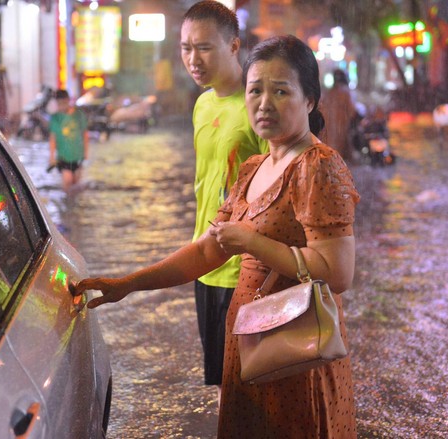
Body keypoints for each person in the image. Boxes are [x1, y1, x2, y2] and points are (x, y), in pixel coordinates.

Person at [74, 34, 359, 438]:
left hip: (297, 350)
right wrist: (129, 284)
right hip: (249, 340)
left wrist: (251, 242)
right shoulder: (254, 168)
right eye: (255, 90)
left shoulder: (318, 167)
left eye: (281, 91)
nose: (264, 103)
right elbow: (207, 250)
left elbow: (338, 273)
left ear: (309, 100)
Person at [179, 1, 269, 397]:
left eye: (204, 47)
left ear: (234, 46)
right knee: (223, 387)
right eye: (185, 48)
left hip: (247, 272)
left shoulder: (259, 107)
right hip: (206, 264)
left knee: (253, 387)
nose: (193, 59)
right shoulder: (202, 104)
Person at [48, 89, 89, 192]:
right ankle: (66, 205)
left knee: (76, 185)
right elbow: (53, 138)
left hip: (78, 156)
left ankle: (74, 206)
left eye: (63, 103)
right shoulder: (55, 118)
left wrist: (86, 152)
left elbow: (85, 134)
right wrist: (52, 156)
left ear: (68, 100)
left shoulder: (79, 115)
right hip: (64, 157)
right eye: (58, 104)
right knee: (67, 183)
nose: (61, 106)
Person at [320, 69, 356, 162]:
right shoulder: (345, 93)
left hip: (329, 128)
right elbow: (351, 111)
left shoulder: (329, 93)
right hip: (340, 127)